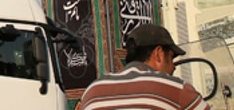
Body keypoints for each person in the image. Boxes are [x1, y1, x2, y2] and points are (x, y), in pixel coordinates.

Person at [78, 23, 209, 110]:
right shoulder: (176, 89)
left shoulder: (92, 92)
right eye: (171, 57)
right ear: (158, 54)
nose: (174, 67)